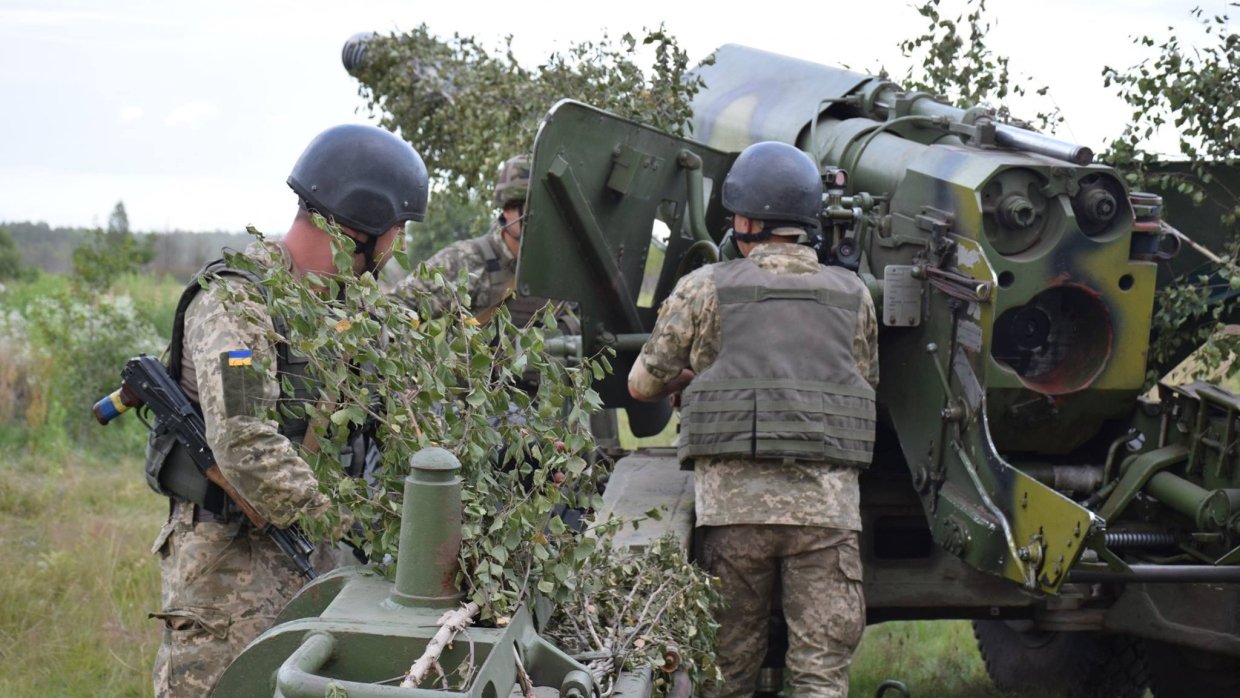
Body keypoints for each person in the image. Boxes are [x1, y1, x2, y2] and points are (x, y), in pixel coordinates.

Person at [148, 123, 428, 697]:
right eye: (398, 228)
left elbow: (400, 417)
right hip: (229, 573)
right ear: (363, 225)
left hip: (313, 560)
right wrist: (348, 521)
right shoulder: (238, 303)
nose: (398, 243)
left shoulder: (342, 311)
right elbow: (245, 440)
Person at [627, 141, 878, 697]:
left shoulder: (704, 287)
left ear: (744, 219)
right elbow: (861, 381)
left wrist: (696, 379)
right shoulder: (855, 296)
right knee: (820, 677)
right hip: (826, 514)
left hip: (734, 512)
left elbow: (642, 384)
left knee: (725, 674)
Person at [391, 154, 530, 322]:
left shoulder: (561, 268)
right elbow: (397, 307)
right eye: (531, 206)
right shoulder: (466, 260)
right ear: (508, 209)